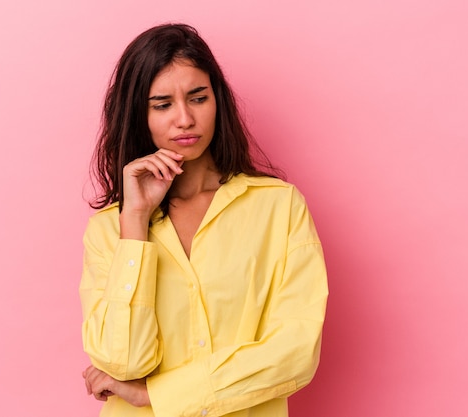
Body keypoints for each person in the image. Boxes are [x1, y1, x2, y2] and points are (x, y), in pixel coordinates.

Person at [80, 23, 328, 417]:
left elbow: (295, 352)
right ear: (137, 115)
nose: (184, 119)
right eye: (161, 105)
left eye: (198, 98)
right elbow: (123, 362)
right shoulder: (112, 228)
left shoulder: (279, 208)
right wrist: (136, 222)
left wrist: (160, 395)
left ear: (218, 101)